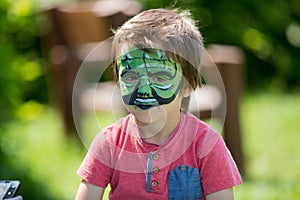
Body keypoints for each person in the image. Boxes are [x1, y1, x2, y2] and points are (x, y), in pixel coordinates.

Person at [75, 8, 242, 200]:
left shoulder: (206, 146)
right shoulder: (109, 144)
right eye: (130, 76)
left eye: (160, 77)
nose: (143, 90)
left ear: (188, 86)